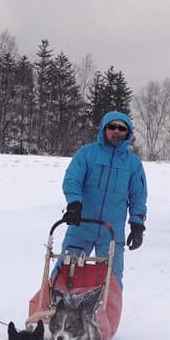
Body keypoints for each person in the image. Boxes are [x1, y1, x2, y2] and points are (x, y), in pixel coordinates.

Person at [58, 111, 148, 288]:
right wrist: (74, 203)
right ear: (104, 129)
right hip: (81, 224)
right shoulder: (87, 154)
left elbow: (138, 195)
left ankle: (104, 313)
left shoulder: (133, 164)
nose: (116, 131)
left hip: (112, 231)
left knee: (111, 279)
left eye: (121, 128)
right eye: (112, 127)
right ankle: (53, 310)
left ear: (127, 132)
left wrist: (137, 223)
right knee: (66, 272)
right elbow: (72, 179)